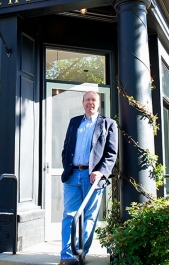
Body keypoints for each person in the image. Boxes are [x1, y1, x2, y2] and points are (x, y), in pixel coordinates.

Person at [59, 90, 118, 265]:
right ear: (82, 102)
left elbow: (111, 154)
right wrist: (67, 165)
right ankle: (67, 255)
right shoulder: (74, 122)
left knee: (89, 216)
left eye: (93, 100)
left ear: (98, 103)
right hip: (72, 175)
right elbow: (66, 148)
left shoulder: (108, 124)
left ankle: (80, 252)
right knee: (69, 214)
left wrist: (101, 172)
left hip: (92, 177)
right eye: (87, 100)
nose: (90, 103)